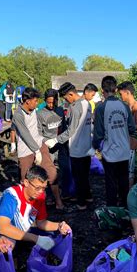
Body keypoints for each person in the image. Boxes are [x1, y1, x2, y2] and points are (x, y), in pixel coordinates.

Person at [0, 165, 72, 249]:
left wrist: (59, 226)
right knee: (8, 244)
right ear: (26, 182)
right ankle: (12, 260)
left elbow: (41, 223)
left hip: (21, 230)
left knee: (52, 236)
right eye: (37, 188)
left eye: (43, 188)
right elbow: (3, 228)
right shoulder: (11, 196)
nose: (40, 192)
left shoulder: (40, 197)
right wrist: (35, 239)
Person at [45, 82, 93, 210]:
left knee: (78, 177)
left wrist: (56, 140)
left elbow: (71, 130)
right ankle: (88, 197)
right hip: (87, 146)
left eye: (66, 98)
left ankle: (81, 203)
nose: (66, 101)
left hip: (77, 147)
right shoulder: (87, 104)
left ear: (71, 94)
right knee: (85, 175)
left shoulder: (75, 107)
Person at [11, 87, 61, 207]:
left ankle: (58, 201)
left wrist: (45, 141)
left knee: (52, 172)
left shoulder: (33, 111)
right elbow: (25, 134)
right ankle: (24, 206)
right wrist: (35, 150)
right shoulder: (18, 115)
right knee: (26, 179)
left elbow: (36, 132)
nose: (37, 103)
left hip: (39, 146)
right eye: (35, 101)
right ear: (27, 101)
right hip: (26, 151)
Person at [93, 76, 136, 207]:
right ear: (116, 89)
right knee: (123, 183)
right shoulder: (124, 105)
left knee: (111, 184)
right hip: (124, 152)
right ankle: (125, 210)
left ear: (102, 90)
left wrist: (95, 146)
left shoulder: (101, 108)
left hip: (110, 153)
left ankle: (112, 212)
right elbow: (132, 128)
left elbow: (98, 133)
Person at [37, 88, 67, 210]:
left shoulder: (60, 111)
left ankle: (62, 192)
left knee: (64, 168)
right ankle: (50, 196)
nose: (50, 105)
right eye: (48, 102)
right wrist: (45, 141)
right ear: (45, 101)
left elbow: (65, 128)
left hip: (60, 144)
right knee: (49, 172)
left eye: (52, 102)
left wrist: (60, 140)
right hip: (48, 146)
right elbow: (38, 133)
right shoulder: (40, 114)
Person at [118, 81, 137, 189]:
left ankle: (129, 197)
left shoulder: (136, 107)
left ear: (127, 92)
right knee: (124, 171)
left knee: (129, 172)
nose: (120, 96)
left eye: (121, 94)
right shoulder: (127, 106)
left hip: (131, 144)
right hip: (125, 143)